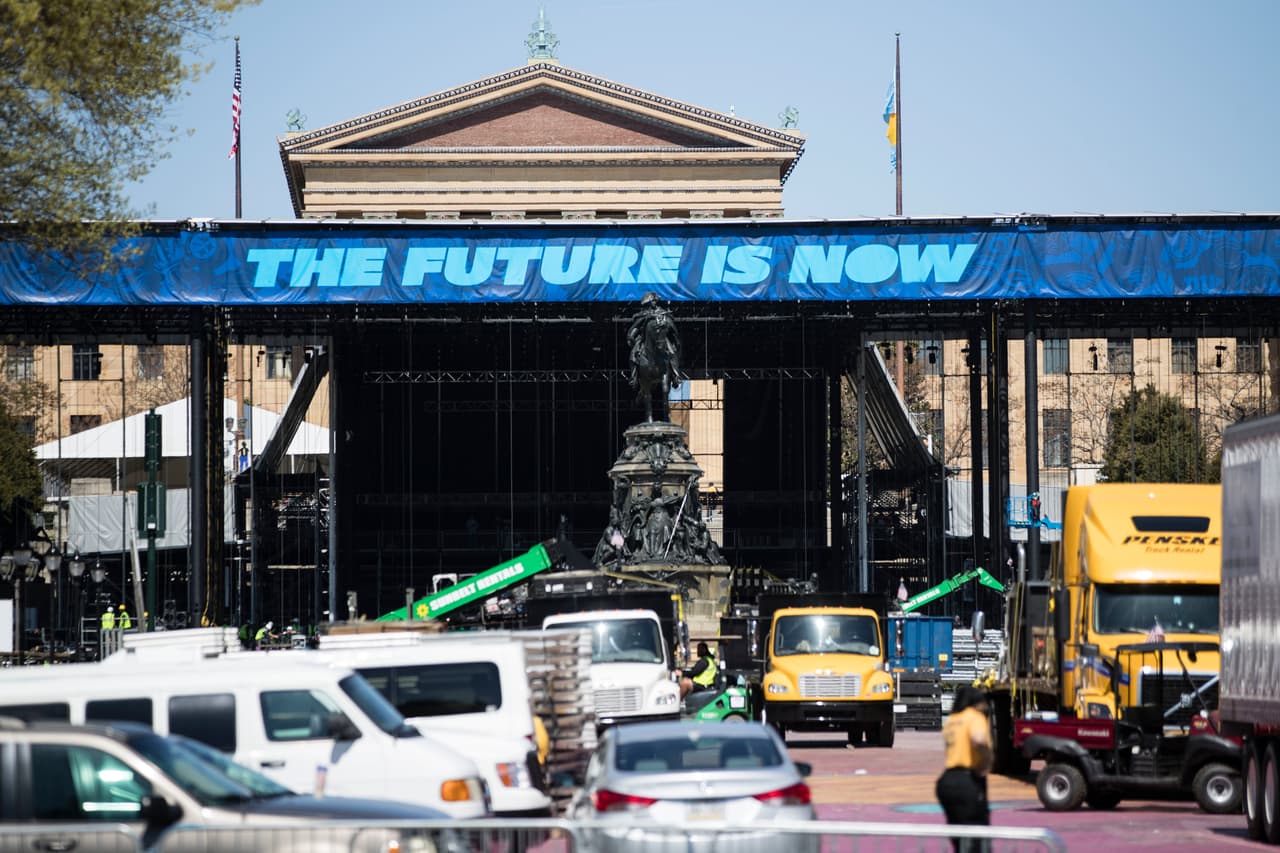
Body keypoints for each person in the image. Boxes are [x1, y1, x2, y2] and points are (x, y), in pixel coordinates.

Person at [936, 685, 994, 852]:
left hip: (947, 781)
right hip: (967, 780)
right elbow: (978, 739)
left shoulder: (951, 721)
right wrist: (986, 761)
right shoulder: (974, 717)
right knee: (977, 836)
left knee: (958, 835)